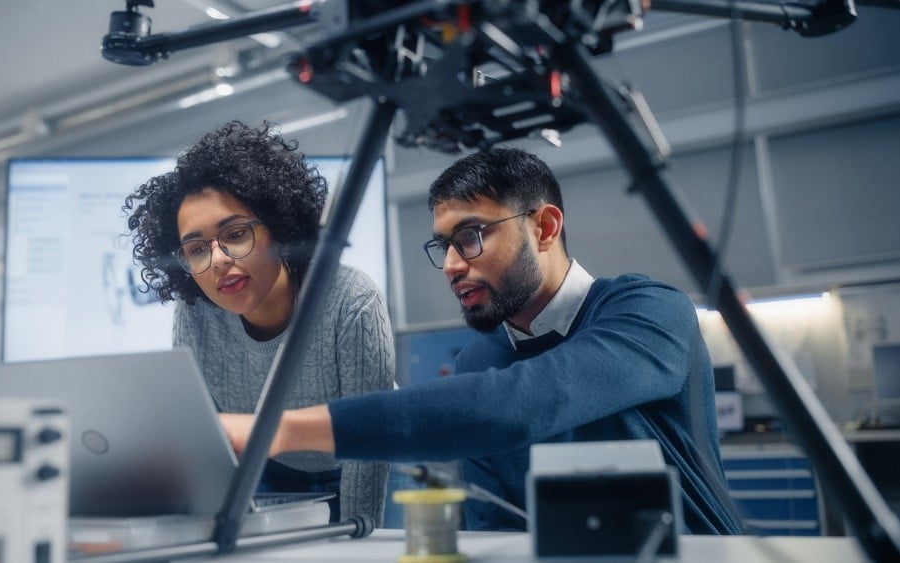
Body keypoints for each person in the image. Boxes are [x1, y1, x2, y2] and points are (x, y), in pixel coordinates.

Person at [223, 146, 742, 535]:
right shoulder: (479, 358)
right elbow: (492, 522)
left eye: (470, 237)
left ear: (544, 227)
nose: (451, 265)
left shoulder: (649, 311)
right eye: (443, 245)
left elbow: (525, 401)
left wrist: (284, 429)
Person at [123, 120, 395, 525]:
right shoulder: (196, 316)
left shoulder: (350, 301)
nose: (217, 259)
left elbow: (367, 444)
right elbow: (207, 442)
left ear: (280, 228)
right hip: (267, 475)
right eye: (196, 249)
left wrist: (354, 537)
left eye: (234, 234)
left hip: (355, 469)